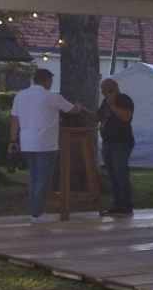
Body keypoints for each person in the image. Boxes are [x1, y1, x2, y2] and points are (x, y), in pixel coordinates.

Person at [9, 68, 85, 221]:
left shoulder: (20, 96)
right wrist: (79, 106)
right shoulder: (52, 97)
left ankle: (34, 211)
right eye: (50, 81)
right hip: (46, 144)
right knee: (43, 180)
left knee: (34, 178)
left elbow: (15, 120)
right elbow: (72, 110)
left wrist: (12, 140)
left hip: (26, 143)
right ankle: (37, 213)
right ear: (46, 80)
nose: (51, 84)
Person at [98, 78, 136, 215]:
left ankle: (126, 205)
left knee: (121, 174)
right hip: (108, 142)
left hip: (121, 142)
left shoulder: (124, 100)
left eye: (104, 89)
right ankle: (117, 204)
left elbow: (126, 117)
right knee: (112, 175)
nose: (102, 92)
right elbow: (99, 117)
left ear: (112, 89)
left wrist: (112, 105)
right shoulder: (105, 102)